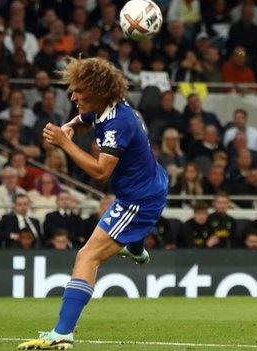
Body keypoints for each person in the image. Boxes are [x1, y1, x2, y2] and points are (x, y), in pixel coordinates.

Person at [18, 57, 168, 350]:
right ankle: (136, 248)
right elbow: (85, 119)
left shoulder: (120, 122)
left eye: (78, 91)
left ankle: (62, 332)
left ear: (97, 91)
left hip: (138, 200)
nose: (73, 96)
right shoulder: (104, 107)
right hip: (149, 185)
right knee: (119, 242)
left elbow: (101, 172)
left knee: (87, 257)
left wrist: (65, 142)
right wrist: (72, 126)